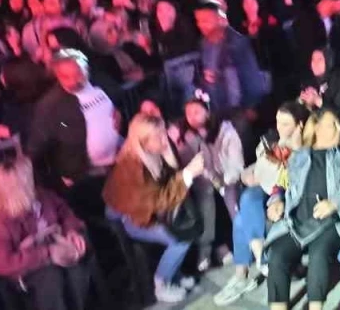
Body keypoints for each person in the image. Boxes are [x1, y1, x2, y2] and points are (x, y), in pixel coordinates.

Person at [262, 109, 340, 310]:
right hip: (297, 223)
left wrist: (335, 203)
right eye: (333, 125)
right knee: (277, 256)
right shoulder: (298, 157)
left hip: (330, 224)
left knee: (318, 255)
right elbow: (281, 184)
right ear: (317, 129)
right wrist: (276, 200)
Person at [214, 101, 310, 306]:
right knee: (247, 200)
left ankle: (246, 273)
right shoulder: (274, 142)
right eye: (278, 122)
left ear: (299, 124)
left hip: (291, 196)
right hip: (270, 189)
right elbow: (261, 169)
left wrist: (264, 178)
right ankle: (257, 262)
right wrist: (253, 173)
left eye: (285, 123)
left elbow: (288, 178)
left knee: (242, 216)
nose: (280, 128)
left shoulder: (306, 146)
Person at [102, 115, 204, 303]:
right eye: (159, 137)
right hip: (136, 218)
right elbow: (158, 201)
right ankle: (161, 283)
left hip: (154, 211)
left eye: (164, 133)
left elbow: (169, 184)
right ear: (143, 142)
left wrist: (178, 166)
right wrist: (188, 174)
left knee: (187, 227)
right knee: (181, 238)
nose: (165, 139)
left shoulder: (157, 150)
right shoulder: (132, 168)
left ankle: (174, 275)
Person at [0, 156, 90, 310]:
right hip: (29, 269)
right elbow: (0, 263)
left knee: (76, 269)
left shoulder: (43, 196)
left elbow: (64, 212)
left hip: (57, 249)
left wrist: (71, 230)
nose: (33, 181)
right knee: (51, 278)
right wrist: (46, 253)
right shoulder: (2, 225)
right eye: (27, 181)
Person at [28, 48, 120, 217]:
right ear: (57, 76)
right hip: (85, 175)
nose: (74, 80)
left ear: (87, 68)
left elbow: (120, 95)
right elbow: (37, 146)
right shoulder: (49, 106)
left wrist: (119, 111)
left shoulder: (100, 81)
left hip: (117, 161)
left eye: (79, 74)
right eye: (66, 77)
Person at [169, 93, 244, 271]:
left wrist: (224, 179)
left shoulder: (225, 132)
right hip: (201, 184)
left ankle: (242, 243)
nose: (192, 117)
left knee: (231, 204)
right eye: (188, 113)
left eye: (196, 112)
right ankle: (207, 250)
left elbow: (236, 163)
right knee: (205, 204)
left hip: (227, 179)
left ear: (208, 112)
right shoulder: (184, 135)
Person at [192, 0, 267, 115]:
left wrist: (249, 108)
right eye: (198, 20)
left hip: (240, 110)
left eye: (205, 20)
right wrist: (204, 77)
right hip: (217, 109)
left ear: (219, 19)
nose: (201, 25)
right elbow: (200, 76)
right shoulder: (203, 44)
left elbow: (251, 80)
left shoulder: (237, 43)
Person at [298, 47, 340, 120]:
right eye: (313, 60)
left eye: (319, 60)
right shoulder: (309, 81)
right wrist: (303, 102)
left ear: (328, 61)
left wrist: (317, 101)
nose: (315, 63)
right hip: (315, 123)